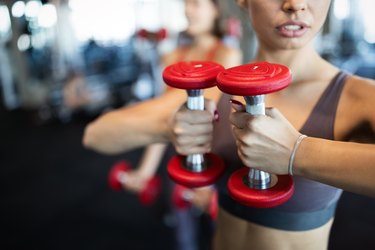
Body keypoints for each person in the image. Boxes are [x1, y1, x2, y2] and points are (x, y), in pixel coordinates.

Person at [170, 1, 375, 250]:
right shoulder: (216, 87)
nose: (295, 4)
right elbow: (108, 133)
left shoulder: (362, 97)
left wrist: (296, 153)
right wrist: (178, 132)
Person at [84, 0, 241, 249]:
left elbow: (196, 113)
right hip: (177, 148)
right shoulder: (172, 57)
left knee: (220, 233)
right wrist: (145, 171)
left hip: (215, 156)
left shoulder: (226, 54)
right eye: (187, 4)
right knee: (182, 232)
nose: (189, 10)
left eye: (197, 4)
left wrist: (208, 184)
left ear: (215, 10)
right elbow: (167, 118)